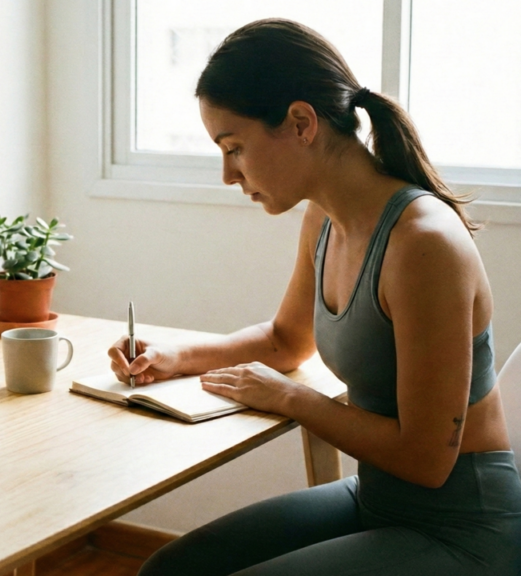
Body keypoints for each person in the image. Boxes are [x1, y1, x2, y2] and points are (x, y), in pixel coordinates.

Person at [108, 18, 521, 576]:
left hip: (465, 529)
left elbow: (426, 460)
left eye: (235, 147)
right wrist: (172, 357)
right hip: (380, 499)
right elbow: (284, 341)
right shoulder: (324, 217)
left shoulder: (424, 244)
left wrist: (292, 399)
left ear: (301, 122)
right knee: (171, 568)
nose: (228, 174)